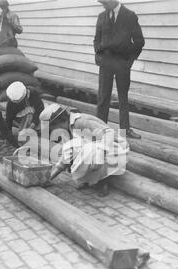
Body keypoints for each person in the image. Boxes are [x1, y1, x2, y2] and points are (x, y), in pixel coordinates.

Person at [40, 104, 129, 197]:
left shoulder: (80, 122)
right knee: (75, 151)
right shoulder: (68, 128)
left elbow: (109, 133)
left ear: (59, 121)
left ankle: (102, 182)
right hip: (95, 146)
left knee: (91, 153)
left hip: (114, 147)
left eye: (52, 127)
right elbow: (66, 155)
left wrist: (100, 154)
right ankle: (87, 179)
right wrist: (50, 178)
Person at [94, 0, 145, 139]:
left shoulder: (129, 16)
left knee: (123, 98)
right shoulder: (102, 16)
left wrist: (129, 60)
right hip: (106, 63)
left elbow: (139, 41)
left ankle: (125, 130)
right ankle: (100, 129)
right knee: (103, 97)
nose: (103, 6)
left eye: (105, 3)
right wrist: (99, 56)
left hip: (122, 63)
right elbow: (96, 40)